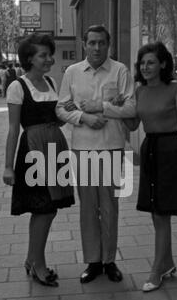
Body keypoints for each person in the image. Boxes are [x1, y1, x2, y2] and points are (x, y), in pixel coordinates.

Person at [56, 24, 137, 284]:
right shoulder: (72, 72)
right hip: (82, 149)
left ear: (108, 44)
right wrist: (84, 117)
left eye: (101, 42)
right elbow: (62, 107)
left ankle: (109, 260)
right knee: (88, 208)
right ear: (84, 44)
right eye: (92, 42)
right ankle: (93, 261)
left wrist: (101, 106)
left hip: (112, 148)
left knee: (110, 207)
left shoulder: (119, 71)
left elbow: (130, 107)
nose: (97, 47)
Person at [125, 42, 177, 292]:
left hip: (170, 151)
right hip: (150, 149)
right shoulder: (140, 91)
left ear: (163, 64)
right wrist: (116, 106)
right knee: (156, 212)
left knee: (161, 212)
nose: (145, 67)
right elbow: (133, 125)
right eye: (142, 63)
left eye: (151, 62)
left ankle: (156, 270)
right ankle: (167, 263)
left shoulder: (175, 89)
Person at [3, 34, 75, 287]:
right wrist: (8, 166)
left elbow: (57, 119)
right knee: (43, 208)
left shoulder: (51, 81)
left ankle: (31, 258)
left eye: (49, 54)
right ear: (29, 59)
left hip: (55, 147)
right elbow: (13, 129)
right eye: (43, 55)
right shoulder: (17, 86)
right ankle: (38, 265)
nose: (49, 59)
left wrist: (73, 110)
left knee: (49, 207)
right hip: (33, 150)